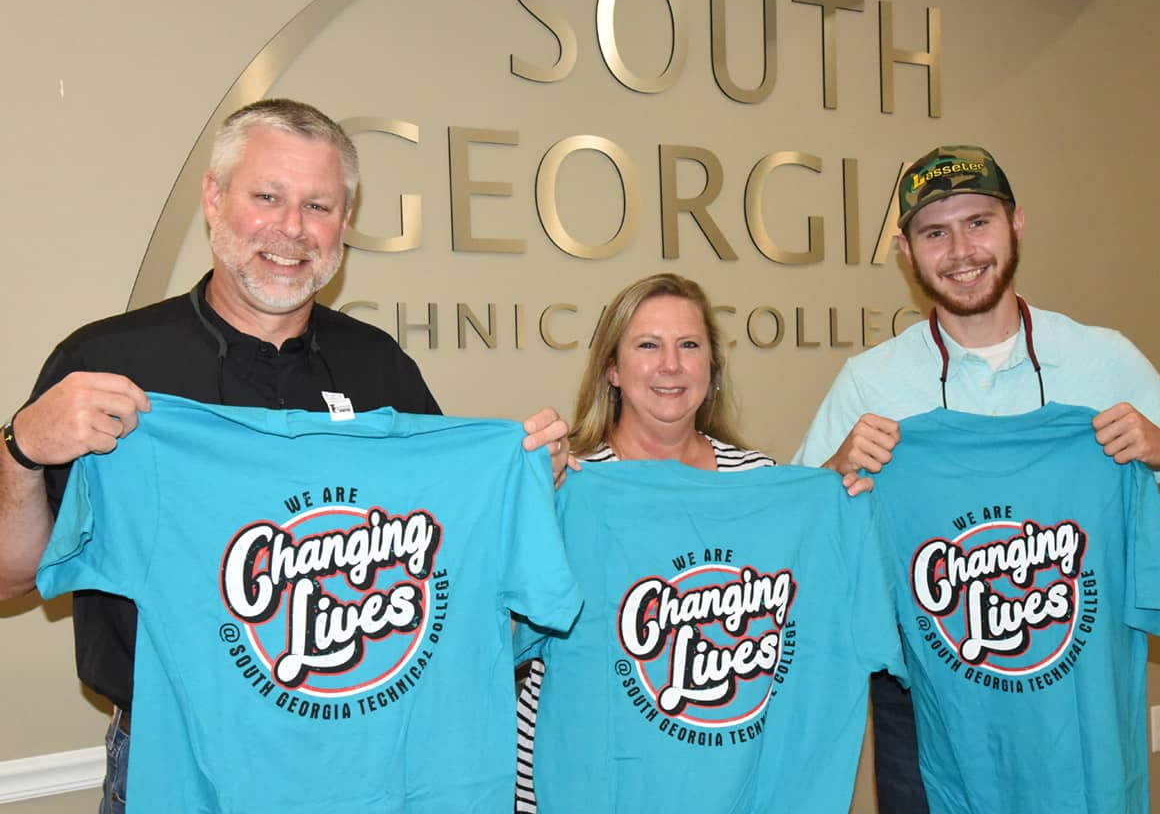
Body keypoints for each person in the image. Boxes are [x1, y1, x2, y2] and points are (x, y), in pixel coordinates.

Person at [0, 98, 570, 814]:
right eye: (267, 196)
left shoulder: (379, 367)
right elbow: (8, 577)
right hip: (183, 765)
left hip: (369, 764)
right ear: (214, 198)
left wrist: (512, 491)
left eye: (319, 206)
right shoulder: (108, 365)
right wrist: (22, 447)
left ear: (344, 223)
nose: (292, 229)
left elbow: (440, 561)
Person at [793, 144, 1160, 813]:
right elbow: (801, 554)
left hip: (1078, 708)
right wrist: (835, 475)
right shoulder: (870, 382)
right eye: (934, 232)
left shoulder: (1103, 361)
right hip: (929, 700)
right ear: (905, 250)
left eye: (978, 221)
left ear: (1016, 223)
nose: (960, 249)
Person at [515, 272, 773, 812]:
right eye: (648, 345)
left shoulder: (762, 485)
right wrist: (534, 506)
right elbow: (505, 635)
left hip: (718, 783)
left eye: (689, 345)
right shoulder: (568, 483)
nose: (671, 365)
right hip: (577, 786)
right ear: (612, 368)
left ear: (712, 367)